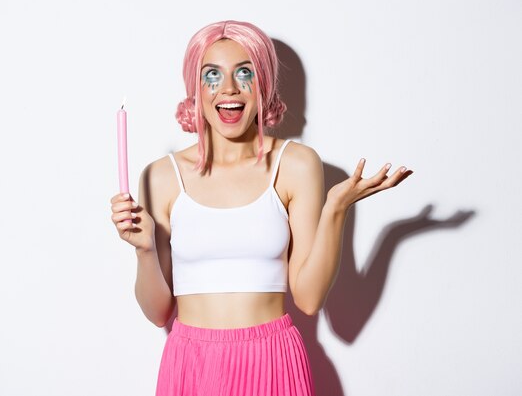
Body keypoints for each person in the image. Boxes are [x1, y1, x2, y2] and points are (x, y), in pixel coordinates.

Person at [110, 20, 411, 396]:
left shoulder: (296, 165)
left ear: (264, 83)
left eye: (245, 72)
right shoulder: (161, 176)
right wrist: (144, 249)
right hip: (191, 363)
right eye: (212, 75)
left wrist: (335, 208)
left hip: (272, 360)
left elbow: (309, 297)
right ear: (195, 89)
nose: (230, 89)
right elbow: (157, 313)